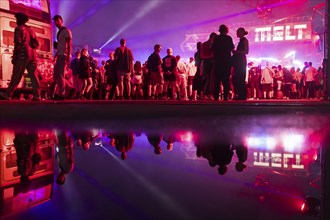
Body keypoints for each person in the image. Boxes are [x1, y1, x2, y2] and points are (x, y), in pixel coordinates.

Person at [0, 13, 40, 101]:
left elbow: (17, 43)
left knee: (16, 75)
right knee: (33, 76)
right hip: (33, 56)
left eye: (17, 19)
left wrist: (14, 56)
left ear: (20, 20)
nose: (16, 21)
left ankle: (8, 94)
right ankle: (37, 95)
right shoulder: (31, 30)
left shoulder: (18, 29)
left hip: (23, 56)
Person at [51, 15, 72, 100]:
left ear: (61, 20)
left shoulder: (66, 31)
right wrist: (55, 56)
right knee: (56, 75)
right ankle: (64, 91)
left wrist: (69, 55)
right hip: (59, 55)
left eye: (57, 20)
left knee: (60, 74)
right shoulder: (59, 32)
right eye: (55, 20)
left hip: (64, 55)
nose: (56, 22)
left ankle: (62, 94)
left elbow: (69, 43)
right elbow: (60, 46)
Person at [212, 24, 235, 101]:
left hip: (218, 61)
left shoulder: (216, 38)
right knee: (226, 80)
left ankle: (216, 97)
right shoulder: (228, 38)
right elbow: (232, 48)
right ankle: (225, 96)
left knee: (217, 80)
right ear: (226, 30)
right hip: (226, 61)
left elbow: (212, 49)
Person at [232, 27, 249, 100]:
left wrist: (236, 52)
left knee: (240, 78)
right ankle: (240, 95)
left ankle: (242, 95)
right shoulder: (241, 41)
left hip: (241, 61)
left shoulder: (244, 40)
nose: (236, 33)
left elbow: (246, 51)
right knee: (238, 78)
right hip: (239, 61)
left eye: (238, 32)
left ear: (242, 32)